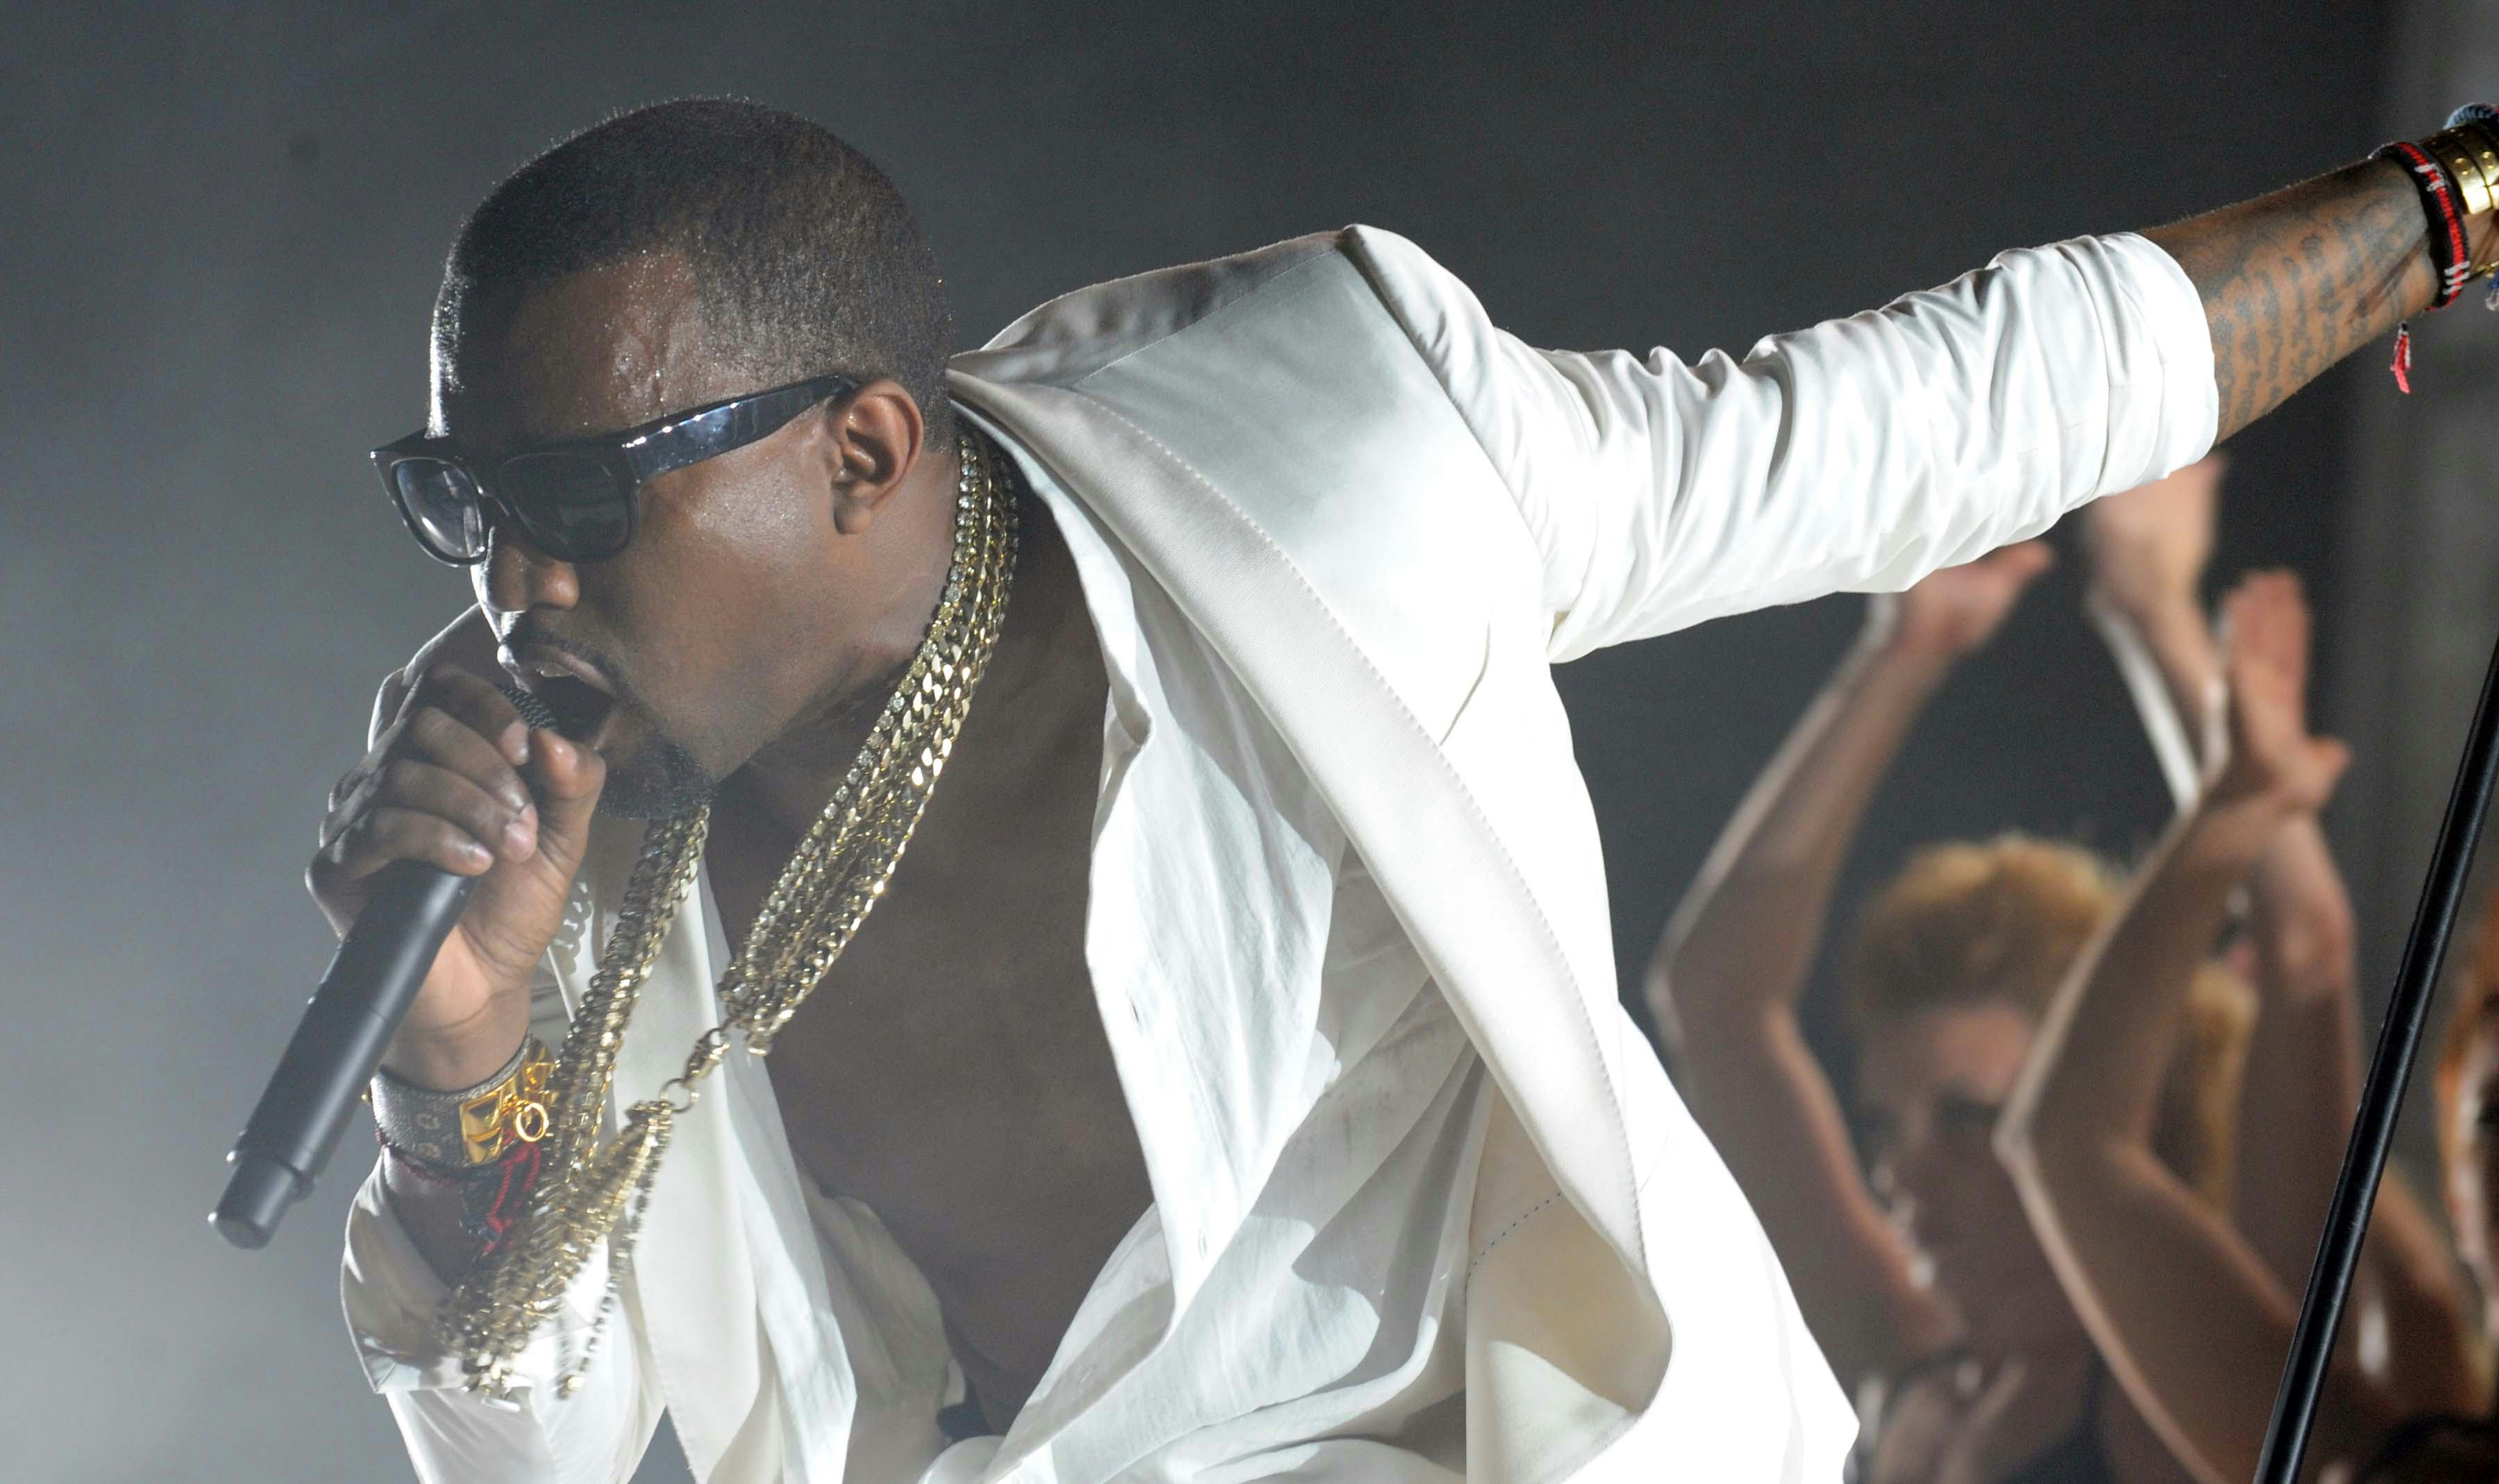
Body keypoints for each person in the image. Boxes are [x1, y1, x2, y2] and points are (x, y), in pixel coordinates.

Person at [308, 93, 2494, 1483]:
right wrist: (451, 1066)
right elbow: (534, 1449)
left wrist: (2458, 198)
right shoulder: (562, 837)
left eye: (576, 495)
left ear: (862, 453)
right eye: (459, 496)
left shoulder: (1337, 439)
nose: (510, 581)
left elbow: (1931, 414)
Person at [1994, 571, 2489, 1483]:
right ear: (2457, 1189)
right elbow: (2072, 1149)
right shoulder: (2412, 1456)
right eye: (2493, 1119)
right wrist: (2235, 804)